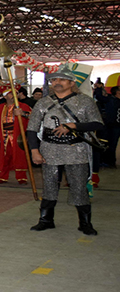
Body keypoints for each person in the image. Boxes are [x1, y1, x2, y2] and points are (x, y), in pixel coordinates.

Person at [27, 69, 104, 236]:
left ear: (71, 83)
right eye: (54, 80)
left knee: (78, 187)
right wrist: (34, 151)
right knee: (49, 186)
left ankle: (85, 223)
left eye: (62, 79)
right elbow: (32, 129)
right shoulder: (43, 103)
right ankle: (46, 220)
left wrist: (75, 126)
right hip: (49, 149)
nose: (57, 82)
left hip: (75, 149)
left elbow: (98, 124)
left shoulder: (85, 101)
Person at [0, 85, 32, 184]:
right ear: (5, 96)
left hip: (18, 136)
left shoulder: (23, 106)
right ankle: (2, 177)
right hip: (3, 135)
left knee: (20, 156)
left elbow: (33, 117)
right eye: (11, 93)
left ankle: (21, 178)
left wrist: (22, 113)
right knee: (4, 157)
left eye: (15, 93)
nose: (14, 95)